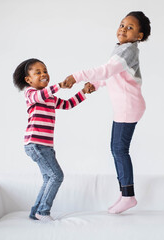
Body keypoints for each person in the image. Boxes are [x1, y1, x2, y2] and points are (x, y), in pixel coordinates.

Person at [63, 11, 151, 214]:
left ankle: (128, 195)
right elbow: (112, 75)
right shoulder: (121, 49)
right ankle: (124, 193)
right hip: (125, 107)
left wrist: (77, 76)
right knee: (116, 148)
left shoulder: (129, 51)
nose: (123, 29)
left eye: (130, 27)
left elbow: (106, 70)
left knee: (119, 150)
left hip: (129, 107)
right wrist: (94, 84)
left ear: (139, 36)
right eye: (122, 25)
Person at [13, 58, 95, 221]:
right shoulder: (31, 94)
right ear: (28, 80)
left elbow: (68, 104)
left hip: (45, 146)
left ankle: (35, 212)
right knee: (57, 176)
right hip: (36, 144)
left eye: (45, 71)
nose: (44, 74)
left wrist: (83, 92)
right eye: (38, 72)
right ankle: (43, 212)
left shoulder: (50, 98)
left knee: (49, 178)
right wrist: (60, 85)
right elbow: (43, 94)